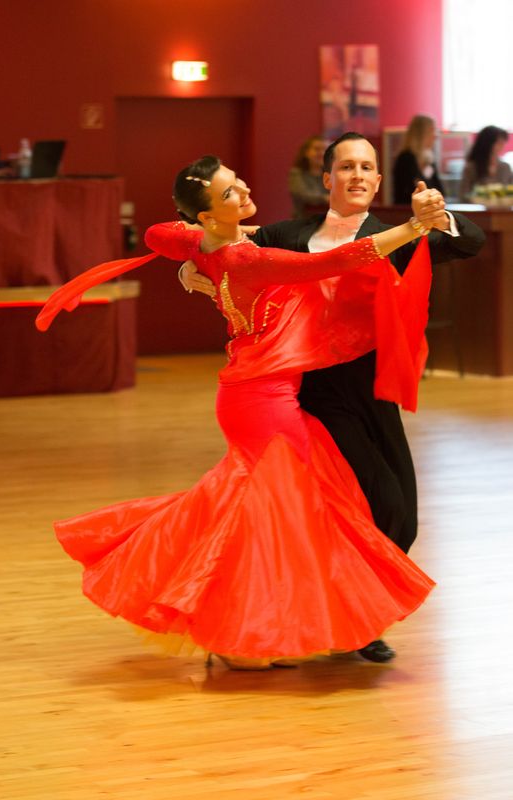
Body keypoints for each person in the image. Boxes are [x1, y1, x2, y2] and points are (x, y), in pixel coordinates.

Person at [36, 155, 436, 670]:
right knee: (269, 515)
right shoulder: (247, 260)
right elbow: (337, 261)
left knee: (267, 514)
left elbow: (159, 233)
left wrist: (207, 240)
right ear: (207, 214)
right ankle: (234, 630)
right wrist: (413, 227)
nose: (244, 191)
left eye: (238, 182)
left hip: (251, 393)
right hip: (267, 401)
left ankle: (259, 625)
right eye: (230, 193)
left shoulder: (203, 245)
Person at [181, 134, 486, 662]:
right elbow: (219, 250)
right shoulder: (289, 234)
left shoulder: (394, 236)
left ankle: (349, 612)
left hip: (372, 386)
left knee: (402, 515)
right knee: (375, 502)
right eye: (347, 167)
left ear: (378, 179)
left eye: (367, 167)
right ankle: (357, 624)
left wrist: (440, 215)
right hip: (313, 393)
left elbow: (470, 243)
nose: (358, 175)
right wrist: (189, 268)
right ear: (328, 179)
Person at [393, 115, 444, 204]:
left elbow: (439, 189)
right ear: (421, 134)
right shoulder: (406, 159)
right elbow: (409, 191)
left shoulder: (429, 158)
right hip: (409, 209)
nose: (435, 135)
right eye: (432, 130)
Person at [459, 125, 512, 201]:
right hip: (478, 207)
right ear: (487, 144)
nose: (502, 146)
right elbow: (463, 195)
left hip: (503, 208)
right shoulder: (472, 168)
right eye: (498, 143)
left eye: (503, 143)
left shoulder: (505, 167)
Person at [288, 135, 330, 218]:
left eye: (325, 150)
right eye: (317, 149)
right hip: (303, 220)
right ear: (306, 153)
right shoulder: (297, 173)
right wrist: (326, 198)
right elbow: (304, 196)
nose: (321, 153)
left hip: (327, 220)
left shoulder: (330, 174)